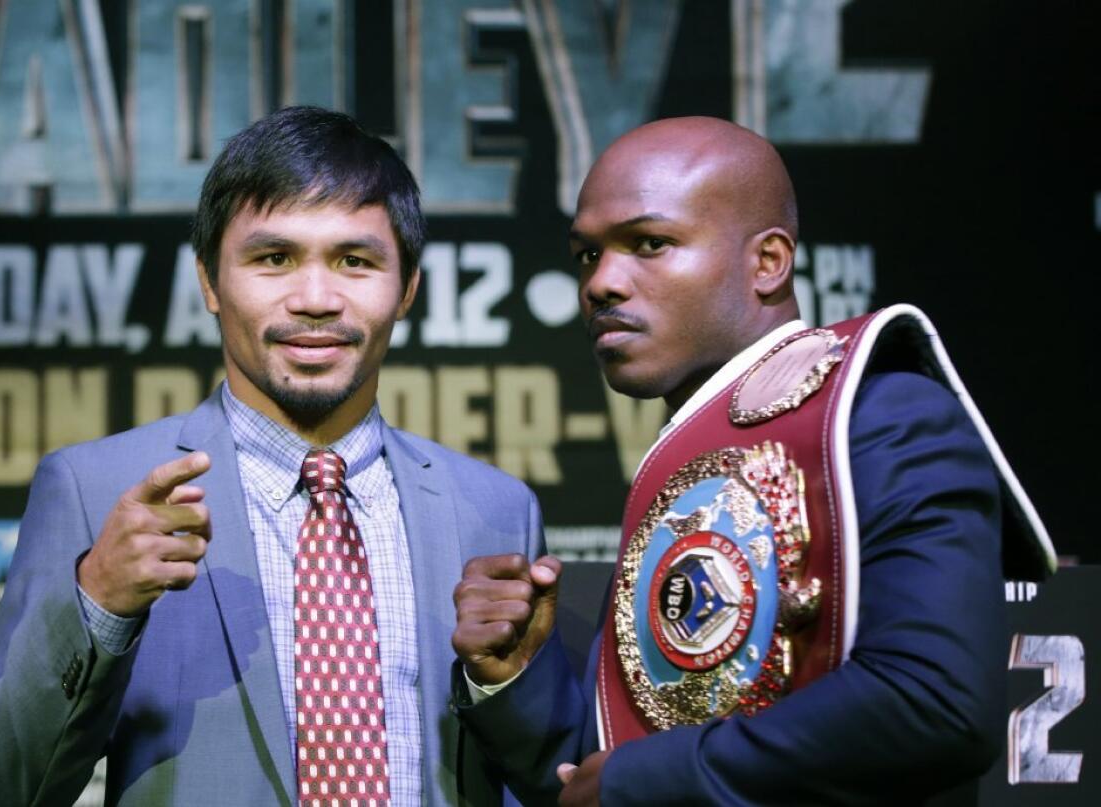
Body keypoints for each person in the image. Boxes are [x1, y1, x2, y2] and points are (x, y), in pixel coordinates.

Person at [450, 117, 1055, 805]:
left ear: (768, 262)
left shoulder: (882, 416)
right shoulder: (690, 454)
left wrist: (642, 780)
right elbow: (597, 774)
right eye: (587, 255)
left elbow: (934, 703)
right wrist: (513, 676)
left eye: (649, 243)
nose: (601, 283)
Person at [0, 106, 544, 806]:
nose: (316, 299)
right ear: (209, 280)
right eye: (274, 258)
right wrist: (101, 601)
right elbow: (6, 785)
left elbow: (541, 776)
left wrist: (502, 688)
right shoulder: (95, 487)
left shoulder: (498, 509)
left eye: (355, 261)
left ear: (408, 287)